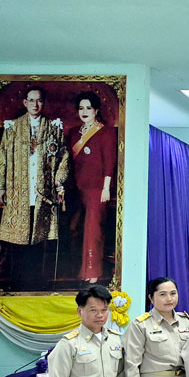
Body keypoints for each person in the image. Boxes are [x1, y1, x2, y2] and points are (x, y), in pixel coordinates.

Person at [0, 85, 69, 290]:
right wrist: (0, 187)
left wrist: (59, 181)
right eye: (31, 100)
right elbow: (1, 159)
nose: (35, 104)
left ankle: (36, 284)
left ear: (44, 103)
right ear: (25, 103)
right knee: (18, 239)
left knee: (38, 239)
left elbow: (64, 157)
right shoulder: (13, 128)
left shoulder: (53, 128)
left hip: (43, 192)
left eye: (39, 100)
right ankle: (17, 283)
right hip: (19, 190)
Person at [67, 91, 116, 283]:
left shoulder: (106, 132)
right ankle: (80, 270)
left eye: (88, 108)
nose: (84, 111)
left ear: (96, 110)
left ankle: (92, 272)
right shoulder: (73, 133)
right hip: (76, 189)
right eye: (81, 108)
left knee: (93, 229)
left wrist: (106, 188)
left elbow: (109, 163)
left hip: (97, 189)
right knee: (74, 228)